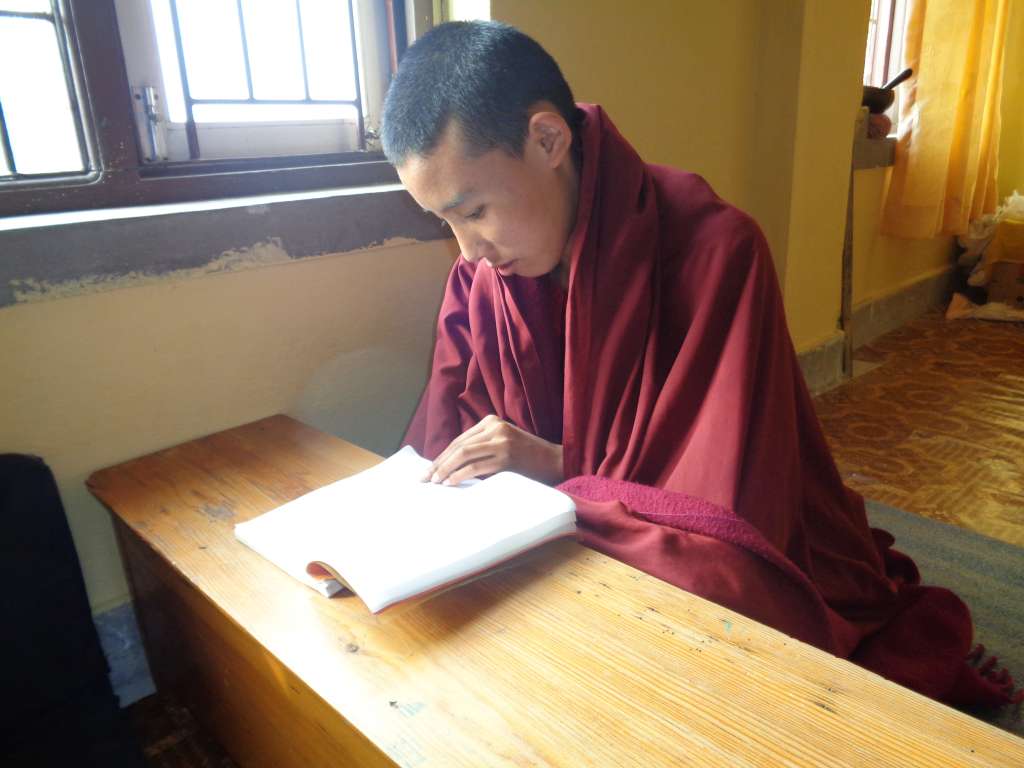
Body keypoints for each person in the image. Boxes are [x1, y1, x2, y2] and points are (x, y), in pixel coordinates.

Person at [380, 20, 1018, 708]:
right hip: (558, 522)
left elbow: (721, 523)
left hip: (673, 536)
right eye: (445, 222)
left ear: (548, 140)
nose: (468, 251)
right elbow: (440, 449)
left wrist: (556, 465)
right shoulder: (482, 278)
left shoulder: (715, 251)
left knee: (711, 630)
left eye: (474, 211)